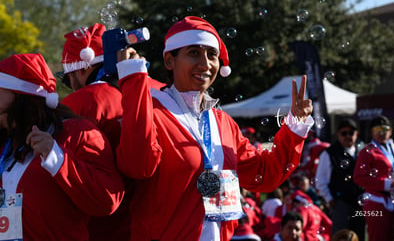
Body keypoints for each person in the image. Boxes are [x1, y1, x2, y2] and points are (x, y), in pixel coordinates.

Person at [115, 16, 314, 240]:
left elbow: (263, 175)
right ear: (170, 61)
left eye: (212, 55)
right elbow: (137, 165)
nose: (205, 64)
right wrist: (132, 81)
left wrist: (295, 126)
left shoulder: (222, 122)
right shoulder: (150, 111)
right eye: (194, 53)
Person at [0, 53, 124, 239]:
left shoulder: (78, 133)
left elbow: (108, 199)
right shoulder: (5, 141)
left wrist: (56, 158)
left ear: (20, 96)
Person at [60, 23, 142, 240]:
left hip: (99, 228)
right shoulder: (147, 91)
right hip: (150, 225)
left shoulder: (80, 102)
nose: (71, 84)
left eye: (68, 77)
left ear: (83, 68)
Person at [315, 118, 365, 240]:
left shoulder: (362, 152)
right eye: (344, 133)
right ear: (338, 135)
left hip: (359, 202)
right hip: (340, 202)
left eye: (351, 133)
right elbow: (320, 180)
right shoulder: (329, 153)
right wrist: (330, 200)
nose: (348, 136)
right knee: (341, 236)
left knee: (359, 234)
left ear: (356, 134)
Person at [353, 115, 394, 241]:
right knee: (377, 236)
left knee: (392, 235)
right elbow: (359, 177)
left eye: (384, 129)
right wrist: (386, 183)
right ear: (371, 133)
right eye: (377, 130)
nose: (381, 133)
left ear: (390, 131)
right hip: (376, 200)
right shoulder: (367, 151)